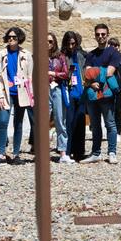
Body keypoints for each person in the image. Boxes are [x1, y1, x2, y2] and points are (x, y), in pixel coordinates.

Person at [0, 27, 32, 163]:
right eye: (9, 37)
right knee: (3, 122)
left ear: (19, 38)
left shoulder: (26, 54)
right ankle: (1, 154)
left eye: (14, 37)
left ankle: (16, 154)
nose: (11, 39)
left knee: (19, 123)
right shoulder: (0, 54)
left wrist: (31, 94)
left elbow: (30, 75)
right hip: (6, 93)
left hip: (21, 92)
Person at [85, 23, 121, 163]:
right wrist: (93, 79)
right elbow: (86, 74)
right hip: (93, 93)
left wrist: (93, 75)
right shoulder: (91, 54)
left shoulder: (114, 53)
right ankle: (96, 153)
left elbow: (110, 72)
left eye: (103, 34)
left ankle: (112, 152)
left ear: (107, 35)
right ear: (95, 36)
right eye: (98, 34)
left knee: (110, 124)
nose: (100, 36)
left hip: (106, 94)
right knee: (94, 125)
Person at [61, 30, 90, 162]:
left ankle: (79, 151)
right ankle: (67, 150)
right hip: (69, 92)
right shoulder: (62, 57)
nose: (71, 46)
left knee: (80, 122)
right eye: (68, 44)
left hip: (81, 92)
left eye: (73, 43)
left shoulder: (82, 56)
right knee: (70, 122)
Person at [45, 33, 70, 162]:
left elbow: (66, 74)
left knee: (60, 121)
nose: (48, 44)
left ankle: (62, 152)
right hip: (43, 89)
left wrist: (53, 73)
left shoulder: (60, 57)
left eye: (50, 41)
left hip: (57, 89)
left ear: (54, 43)